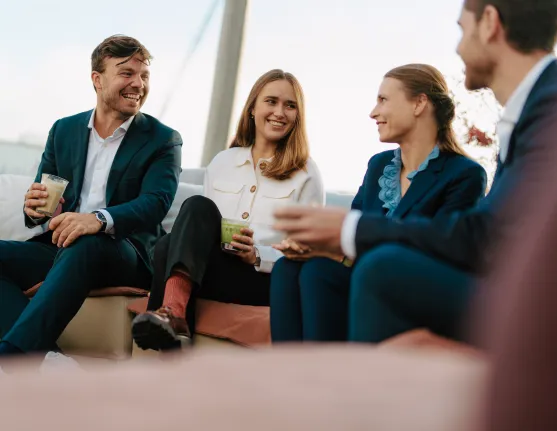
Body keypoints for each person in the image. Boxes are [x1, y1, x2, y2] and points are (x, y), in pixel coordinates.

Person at [273, 0, 557, 344]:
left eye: (461, 29)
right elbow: (493, 235)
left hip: (530, 303)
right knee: (297, 268)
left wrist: (347, 231)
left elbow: (481, 240)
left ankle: (341, 389)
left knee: (378, 269)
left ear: (489, 23)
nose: (457, 48)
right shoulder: (536, 109)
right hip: (502, 284)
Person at [270, 64, 487, 342]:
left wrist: (336, 253)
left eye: (383, 100)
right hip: (359, 279)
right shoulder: (378, 165)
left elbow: (441, 252)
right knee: (288, 268)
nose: (374, 112)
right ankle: (286, 377)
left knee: (317, 272)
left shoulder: (464, 175)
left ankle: (322, 378)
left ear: (419, 103)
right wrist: (318, 246)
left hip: (405, 294)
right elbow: (350, 232)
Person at [0, 35, 182, 363]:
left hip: (125, 254)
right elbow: (44, 205)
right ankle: (46, 358)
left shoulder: (163, 139)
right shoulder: (64, 130)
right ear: (97, 79)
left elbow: (156, 202)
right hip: (60, 247)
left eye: (144, 76)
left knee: (86, 242)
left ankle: (12, 356)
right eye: (127, 73)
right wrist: (35, 208)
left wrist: (96, 220)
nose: (138, 84)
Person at [132, 69, 324, 351]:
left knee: (166, 247)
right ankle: (173, 320)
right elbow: (201, 226)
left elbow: (307, 250)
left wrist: (258, 255)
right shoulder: (223, 161)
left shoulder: (306, 173)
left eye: (290, 105)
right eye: (271, 101)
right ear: (253, 108)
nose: (279, 112)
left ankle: (170, 319)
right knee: (176, 233)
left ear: (298, 116)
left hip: (262, 280)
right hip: (215, 269)